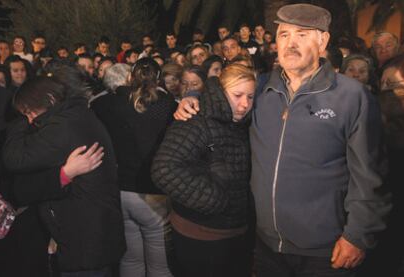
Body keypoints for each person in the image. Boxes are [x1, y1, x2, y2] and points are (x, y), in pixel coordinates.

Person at [174, 4, 391, 277]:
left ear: (323, 41)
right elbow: (224, 99)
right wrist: (192, 100)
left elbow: (370, 177)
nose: (291, 43)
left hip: (327, 251)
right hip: (266, 247)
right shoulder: (261, 88)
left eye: (302, 34)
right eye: (284, 35)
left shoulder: (351, 97)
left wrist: (358, 235)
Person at [2, 65, 126, 276]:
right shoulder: (75, 114)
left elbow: (14, 159)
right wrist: (65, 174)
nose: (31, 120)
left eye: (30, 113)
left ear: (50, 101)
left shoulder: (63, 126)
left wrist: (19, 122)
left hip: (85, 241)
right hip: (91, 235)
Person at [152, 64, 256, 277]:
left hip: (236, 233)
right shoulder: (195, 119)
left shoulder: (245, 124)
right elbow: (164, 169)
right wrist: (213, 199)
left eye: (251, 97)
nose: (245, 104)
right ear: (220, 92)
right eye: (237, 95)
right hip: (202, 236)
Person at [107, 58, 176, 277]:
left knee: (131, 259)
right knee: (160, 265)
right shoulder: (168, 105)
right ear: (158, 78)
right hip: (152, 193)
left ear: (131, 77)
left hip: (122, 189)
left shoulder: (116, 102)